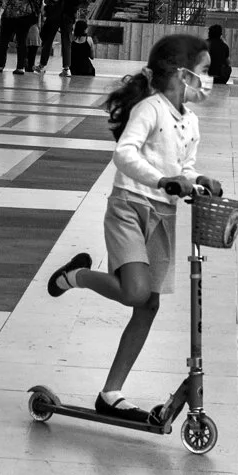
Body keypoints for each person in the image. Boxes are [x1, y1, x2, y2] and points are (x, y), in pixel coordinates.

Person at [44, 34, 218, 423]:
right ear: (180, 73)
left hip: (163, 214)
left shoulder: (190, 121)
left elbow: (184, 167)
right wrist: (160, 181)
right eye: (203, 71)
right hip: (129, 207)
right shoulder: (149, 109)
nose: (207, 80)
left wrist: (198, 179)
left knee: (148, 304)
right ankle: (79, 276)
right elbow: (124, 153)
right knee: (136, 292)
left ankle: (111, 393)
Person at [37, 0, 85, 74]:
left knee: (48, 41)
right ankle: (66, 68)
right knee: (66, 42)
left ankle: (42, 65)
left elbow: (54, 0)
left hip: (54, 17)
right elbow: (76, 2)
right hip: (67, 17)